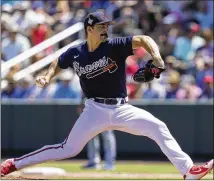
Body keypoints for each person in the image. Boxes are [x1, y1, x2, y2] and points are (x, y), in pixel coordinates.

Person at [1, 12, 213, 180]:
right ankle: (12, 164)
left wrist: (157, 58)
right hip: (94, 110)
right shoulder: (77, 53)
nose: (105, 30)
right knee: (67, 149)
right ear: (89, 29)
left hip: (122, 109)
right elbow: (59, 61)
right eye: (101, 26)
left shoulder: (114, 46)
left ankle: (188, 172)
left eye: (107, 26)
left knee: (158, 127)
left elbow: (144, 38)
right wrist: (47, 76)